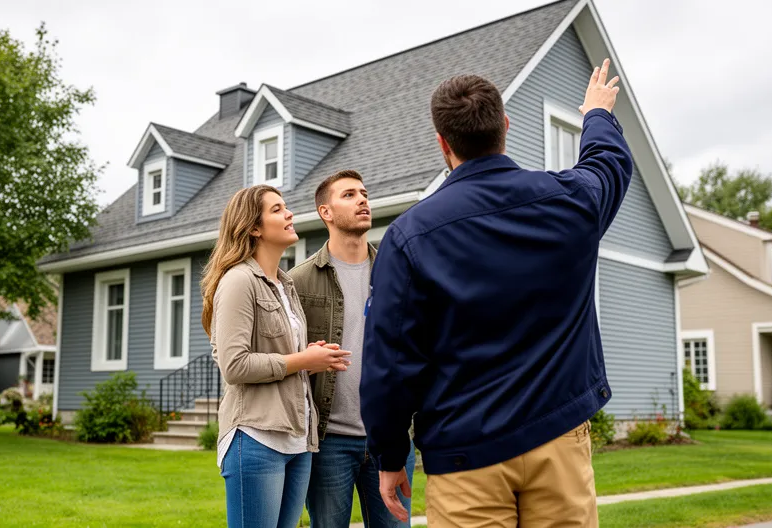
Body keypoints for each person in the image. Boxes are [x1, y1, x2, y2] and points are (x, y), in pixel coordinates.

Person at [360, 59, 630, 527]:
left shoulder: (409, 237)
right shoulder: (570, 203)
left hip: (466, 458)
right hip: (559, 443)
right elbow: (608, 164)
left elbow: (390, 362)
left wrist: (389, 455)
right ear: (505, 125)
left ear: (442, 142)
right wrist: (595, 115)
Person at [202, 184, 352, 528]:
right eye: (277, 209)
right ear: (254, 227)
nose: (289, 214)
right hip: (256, 437)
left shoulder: (285, 284)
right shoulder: (239, 280)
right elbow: (233, 364)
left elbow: (272, 355)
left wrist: (309, 356)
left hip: (299, 440)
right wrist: (302, 361)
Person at [289, 170, 416, 527]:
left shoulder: (394, 272)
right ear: (325, 212)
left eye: (364, 193)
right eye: (348, 195)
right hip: (330, 440)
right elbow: (287, 356)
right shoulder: (299, 280)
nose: (362, 199)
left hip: (389, 437)